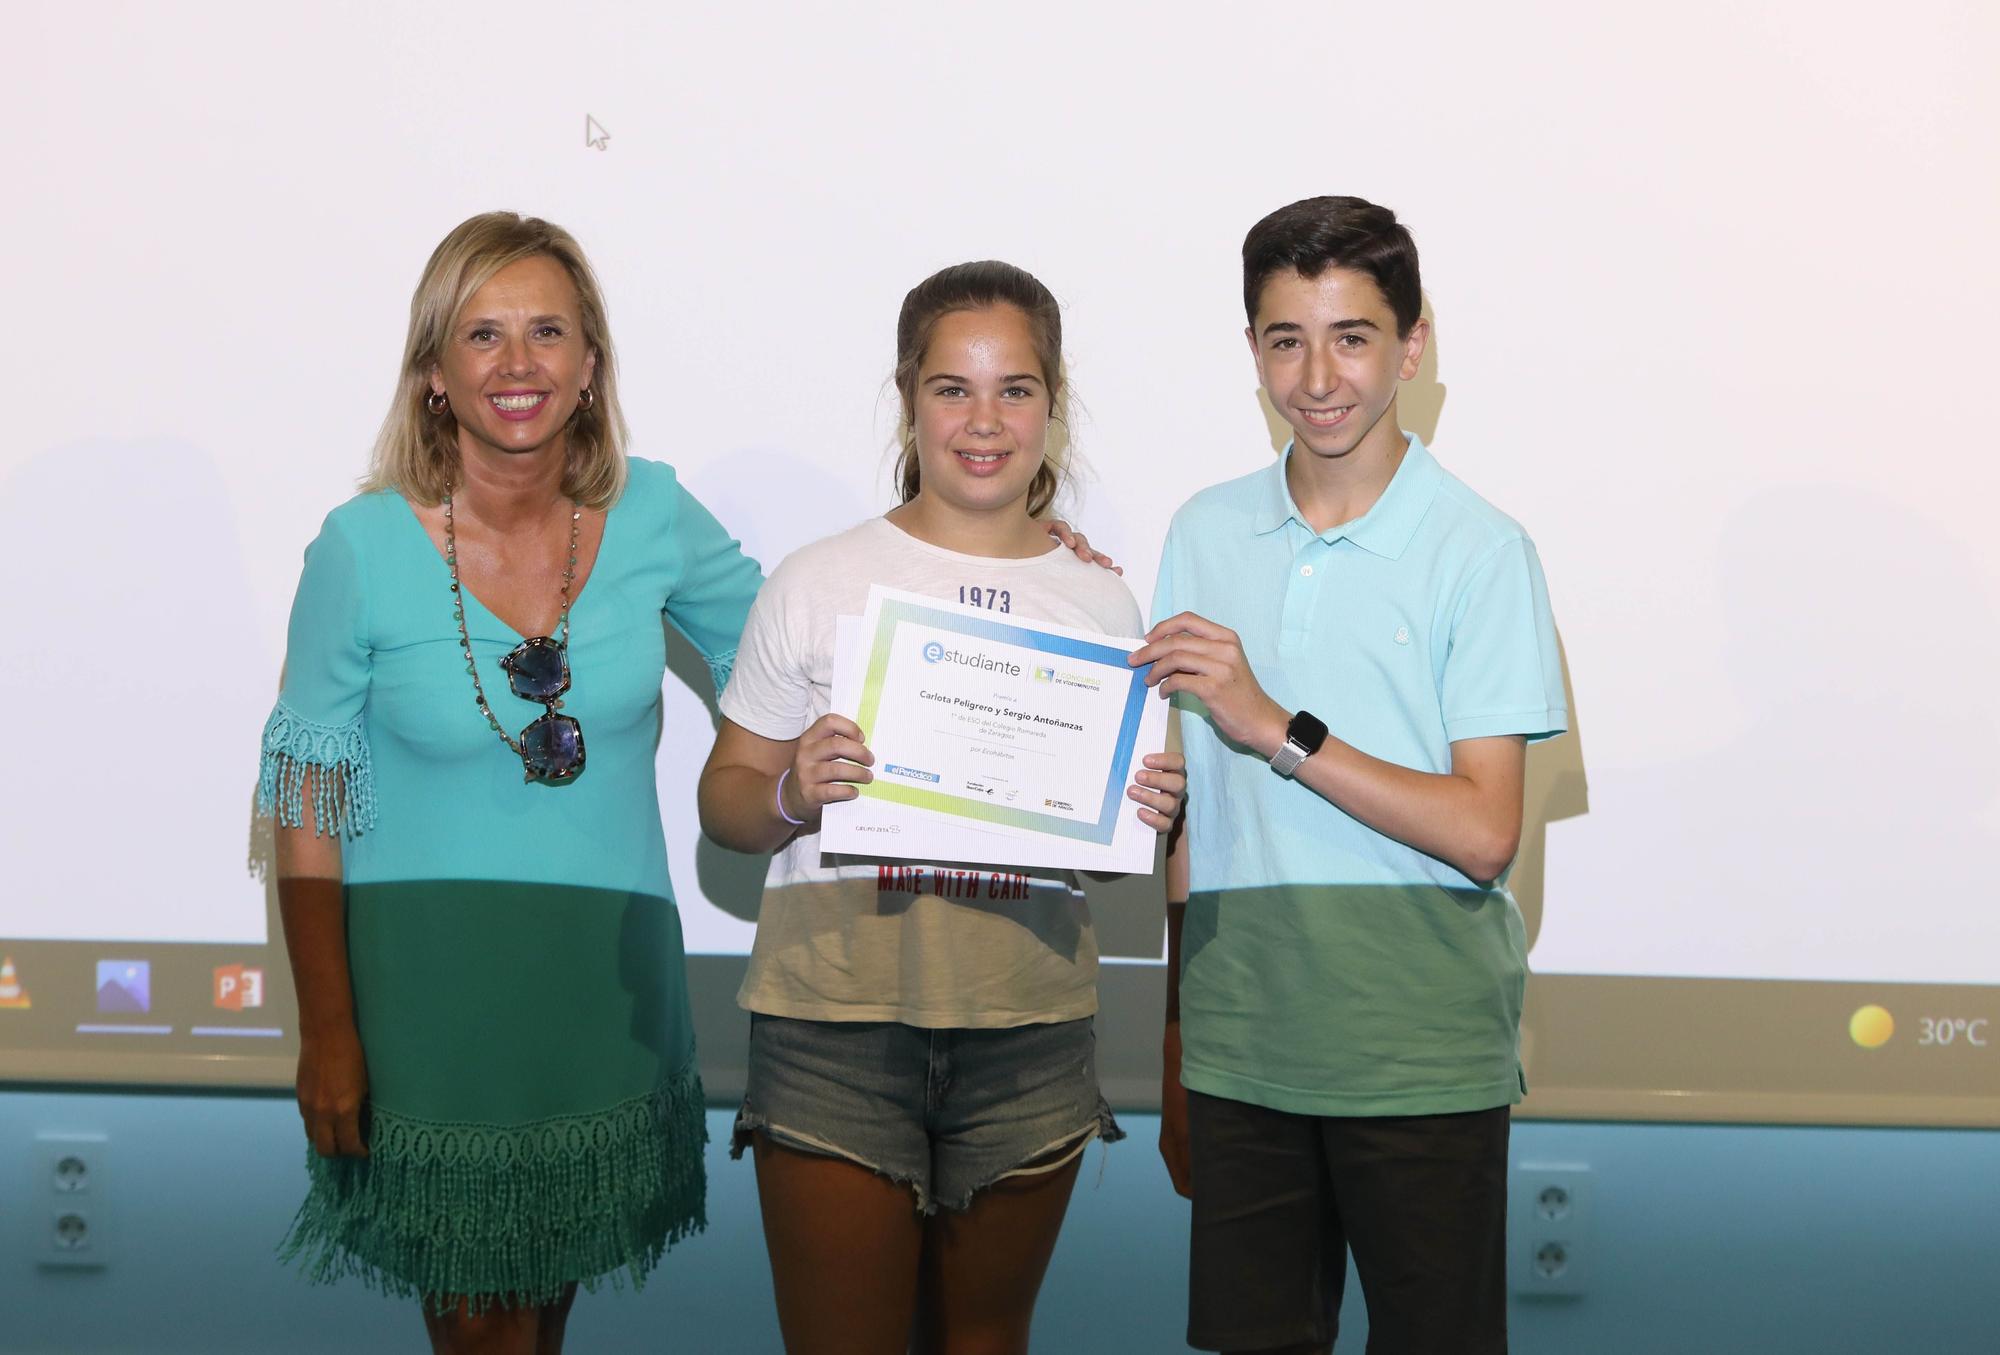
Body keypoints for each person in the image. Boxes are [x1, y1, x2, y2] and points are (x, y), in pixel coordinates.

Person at [257, 211, 765, 1353]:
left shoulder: (656, 514)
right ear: (435, 373)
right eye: (482, 334)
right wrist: (327, 1033)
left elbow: (793, 639)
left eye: (547, 330)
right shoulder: (360, 546)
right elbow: (303, 804)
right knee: (485, 1326)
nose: (518, 363)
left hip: (604, 985)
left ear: (590, 365)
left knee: (536, 1322)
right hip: (426, 995)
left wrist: (1010, 542)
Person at [696, 261, 1186, 1355]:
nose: (983, 420)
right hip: (832, 1025)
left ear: (1051, 407)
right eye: (951, 388)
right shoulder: (818, 577)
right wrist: (791, 789)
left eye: (1014, 389)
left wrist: (1136, 813)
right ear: (907, 396)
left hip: (1026, 1028)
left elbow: (1094, 863)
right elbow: (725, 803)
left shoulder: (1100, 599)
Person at [1137, 197, 1568, 1355]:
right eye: (1285, 338)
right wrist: (1175, 1036)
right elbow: (1189, 813)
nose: (1317, 375)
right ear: (1251, 352)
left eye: (1351, 335)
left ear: (1411, 344)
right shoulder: (1202, 529)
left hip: (1417, 1049)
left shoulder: (1480, 550)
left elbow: (1484, 831)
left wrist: (1273, 724)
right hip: (1241, 1042)